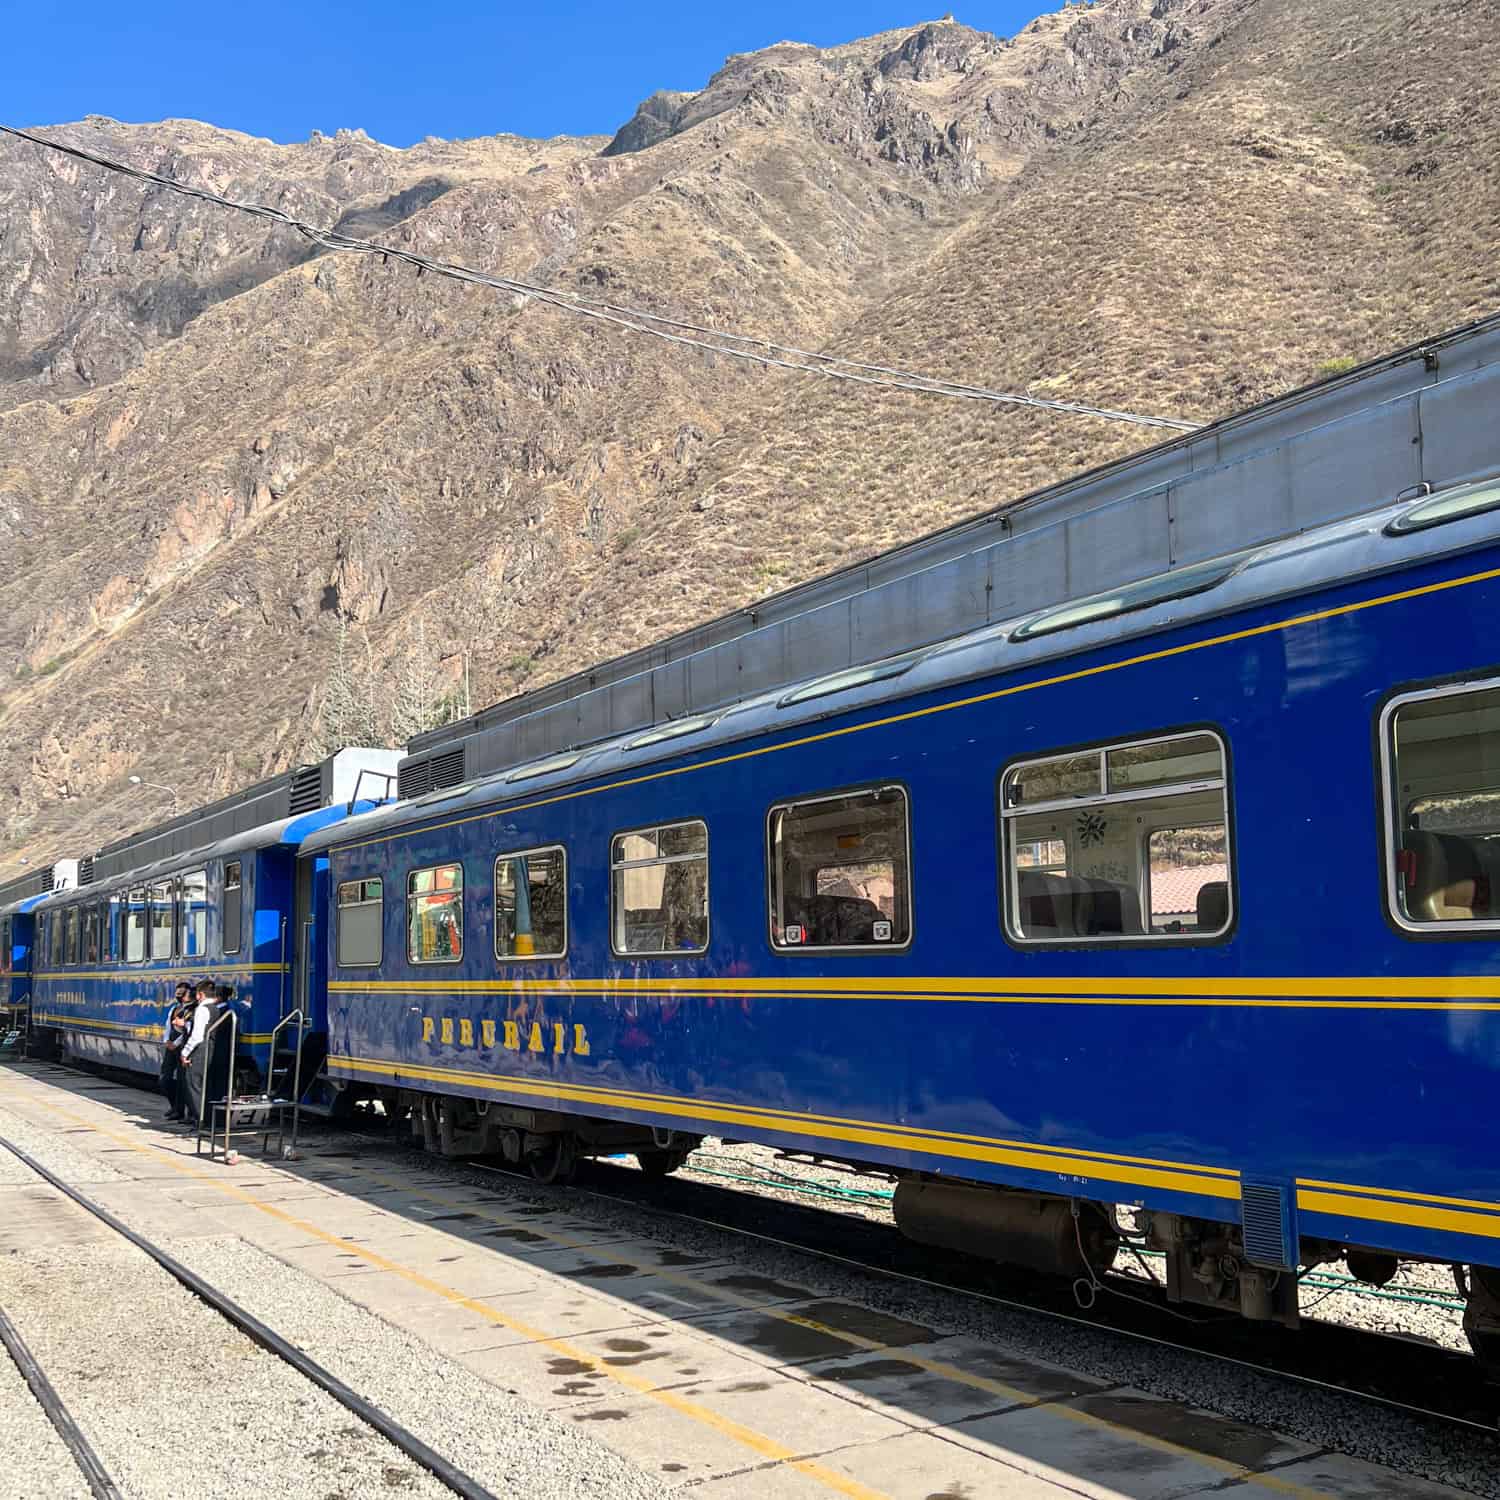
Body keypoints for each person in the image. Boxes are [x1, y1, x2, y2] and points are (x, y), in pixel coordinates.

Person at [179, 979, 218, 1125]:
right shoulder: (215, 1008)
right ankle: (205, 1119)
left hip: (200, 1049)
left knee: (193, 1084)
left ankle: (201, 1120)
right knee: (204, 1086)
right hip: (211, 1047)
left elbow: (197, 1035)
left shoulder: (202, 1009)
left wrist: (185, 1053)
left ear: (200, 995)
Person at [159, 982, 192, 1121]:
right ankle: (174, 1106)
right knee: (164, 1078)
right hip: (171, 1048)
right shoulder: (174, 1008)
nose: (179, 996)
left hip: (182, 1047)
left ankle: (180, 1111)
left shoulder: (192, 1010)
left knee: (182, 1081)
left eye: (182, 993)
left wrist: (176, 1043)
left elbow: (190, 1030)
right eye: (177, 993)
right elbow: (168, 1026)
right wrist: (167, 1040)